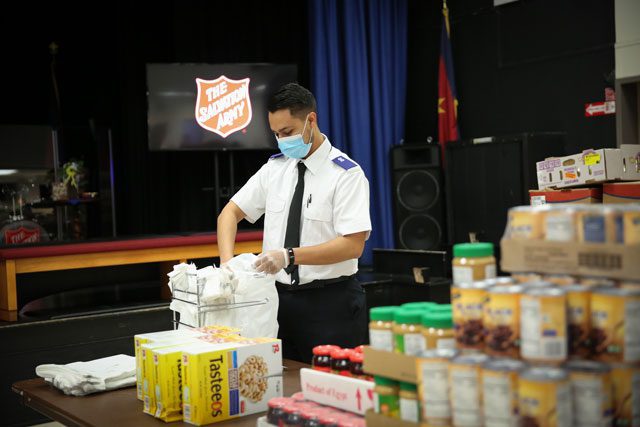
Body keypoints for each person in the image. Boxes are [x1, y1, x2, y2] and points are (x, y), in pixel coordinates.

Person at [216, 83, 372, 362]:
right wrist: (227, 265)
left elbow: (353, 245)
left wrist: (289, 256)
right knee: (279, 385)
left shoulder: (346, 174)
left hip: (329, 304)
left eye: (287, 132)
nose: (282, 141)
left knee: (331, 391)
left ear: (311, 120)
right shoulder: (275, 169)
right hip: (276, 303)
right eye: (276, 134)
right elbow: (229, 214)